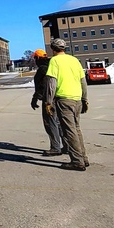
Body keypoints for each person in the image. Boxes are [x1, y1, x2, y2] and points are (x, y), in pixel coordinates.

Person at [43, 38, 89, 171]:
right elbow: (83, 81)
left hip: (64, 99)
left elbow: (52, 83)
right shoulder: (74, 60)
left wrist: (48, 102)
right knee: (76, 129)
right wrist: (85, 99)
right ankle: (83, 158)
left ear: (53, 49)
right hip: (77, 99)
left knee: (69, 130)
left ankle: (77, 161)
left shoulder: (54, 61)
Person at [30, 49, 64, 156]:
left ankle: (55, 147)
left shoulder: (43, 69)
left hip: (49, 99)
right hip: (59, 97)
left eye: (35, 58)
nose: (35, 60)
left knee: (50, 122)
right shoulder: (53, 65)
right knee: (59, 122)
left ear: (38, 58)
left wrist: (35, 98)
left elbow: (42, 86)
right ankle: (67, 145)